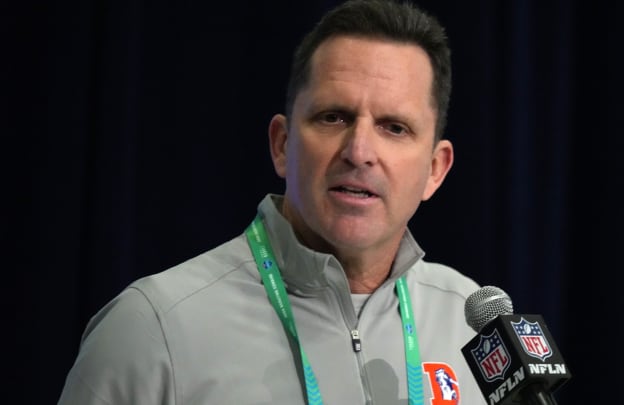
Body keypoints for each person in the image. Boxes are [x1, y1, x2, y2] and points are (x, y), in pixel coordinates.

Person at [57, 0, 487, 403]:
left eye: (394, 127)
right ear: (282, 145)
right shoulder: (154, 327)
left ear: (435, 169)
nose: (359, 151)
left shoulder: (476, 327)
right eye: (333, 117)